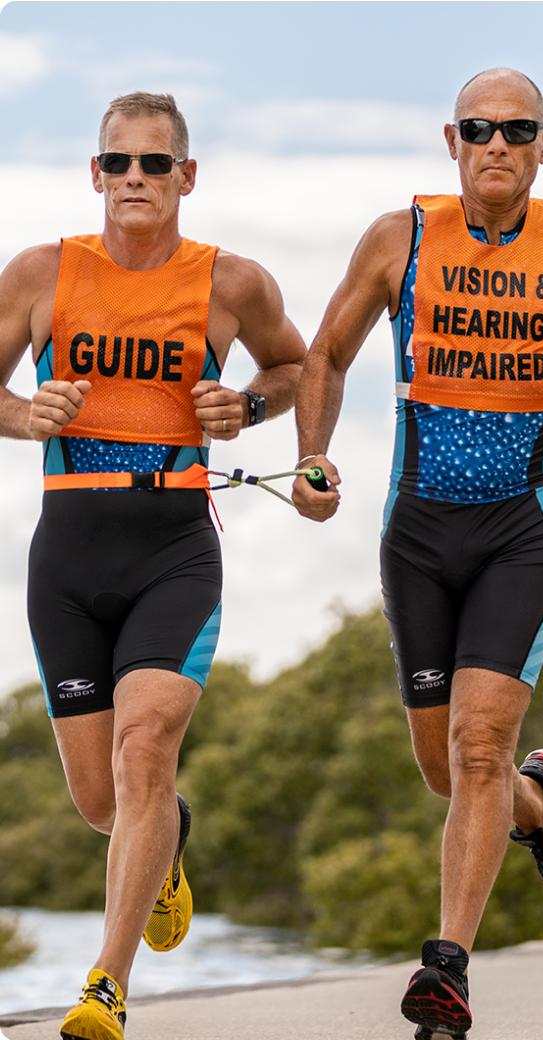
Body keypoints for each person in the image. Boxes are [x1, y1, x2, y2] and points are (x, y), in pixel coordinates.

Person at [293, 67, 543, 1038]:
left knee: (478, 745)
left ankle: (445, 969)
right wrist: (312, 456)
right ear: (452, 141)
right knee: (448, 771)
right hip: (416, 531)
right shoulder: (400, 236)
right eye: (479, 129)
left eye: (516, 130)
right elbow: (325, 353)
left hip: (519, 529)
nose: (497, 144)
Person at [0, 92, 305, 1040]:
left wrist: (246, 411)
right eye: (120, 163)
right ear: (96, 173)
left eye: (155, 164)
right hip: (68, 552)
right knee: (105, 801)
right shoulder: (42, 273)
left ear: (187, 175)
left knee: (145, 749)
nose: (137, 179)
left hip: (175, 545)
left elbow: (294, 369)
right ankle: (164, 844)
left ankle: (106, 985)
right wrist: (23, 415)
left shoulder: (230, 283)